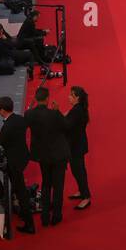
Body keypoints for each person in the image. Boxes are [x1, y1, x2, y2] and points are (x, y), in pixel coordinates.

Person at [0, 95, 33, 232]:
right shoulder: (18, 119)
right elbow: (11, 135)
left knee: (20, 191)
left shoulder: (8, 124)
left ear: (3, 110)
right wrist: (1, 134)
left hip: (13, 160)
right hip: (21, 157)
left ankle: (29, 224)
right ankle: (3, 194)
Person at [26, 86, 71, 226]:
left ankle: (44, 216)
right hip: (58, 155)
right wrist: (57, 110)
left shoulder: (29, 114)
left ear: (35, 99)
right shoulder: (54, 114)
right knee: (58, 186)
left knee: (46, 184)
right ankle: (56, 216)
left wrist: (29, 108)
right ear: (47, 99)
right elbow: (66, 126)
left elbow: (26, 121)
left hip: (42, 156)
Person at [64, 86, 91, 210]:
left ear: (77, 98)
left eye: (71, 95)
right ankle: (81, 190)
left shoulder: (76, 111)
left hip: (76, 146)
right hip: (78, 143)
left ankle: (86, 196)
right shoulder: (78, 109)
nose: (69, 97)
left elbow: (66, 125)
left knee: (78, 171)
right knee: (78, 170)